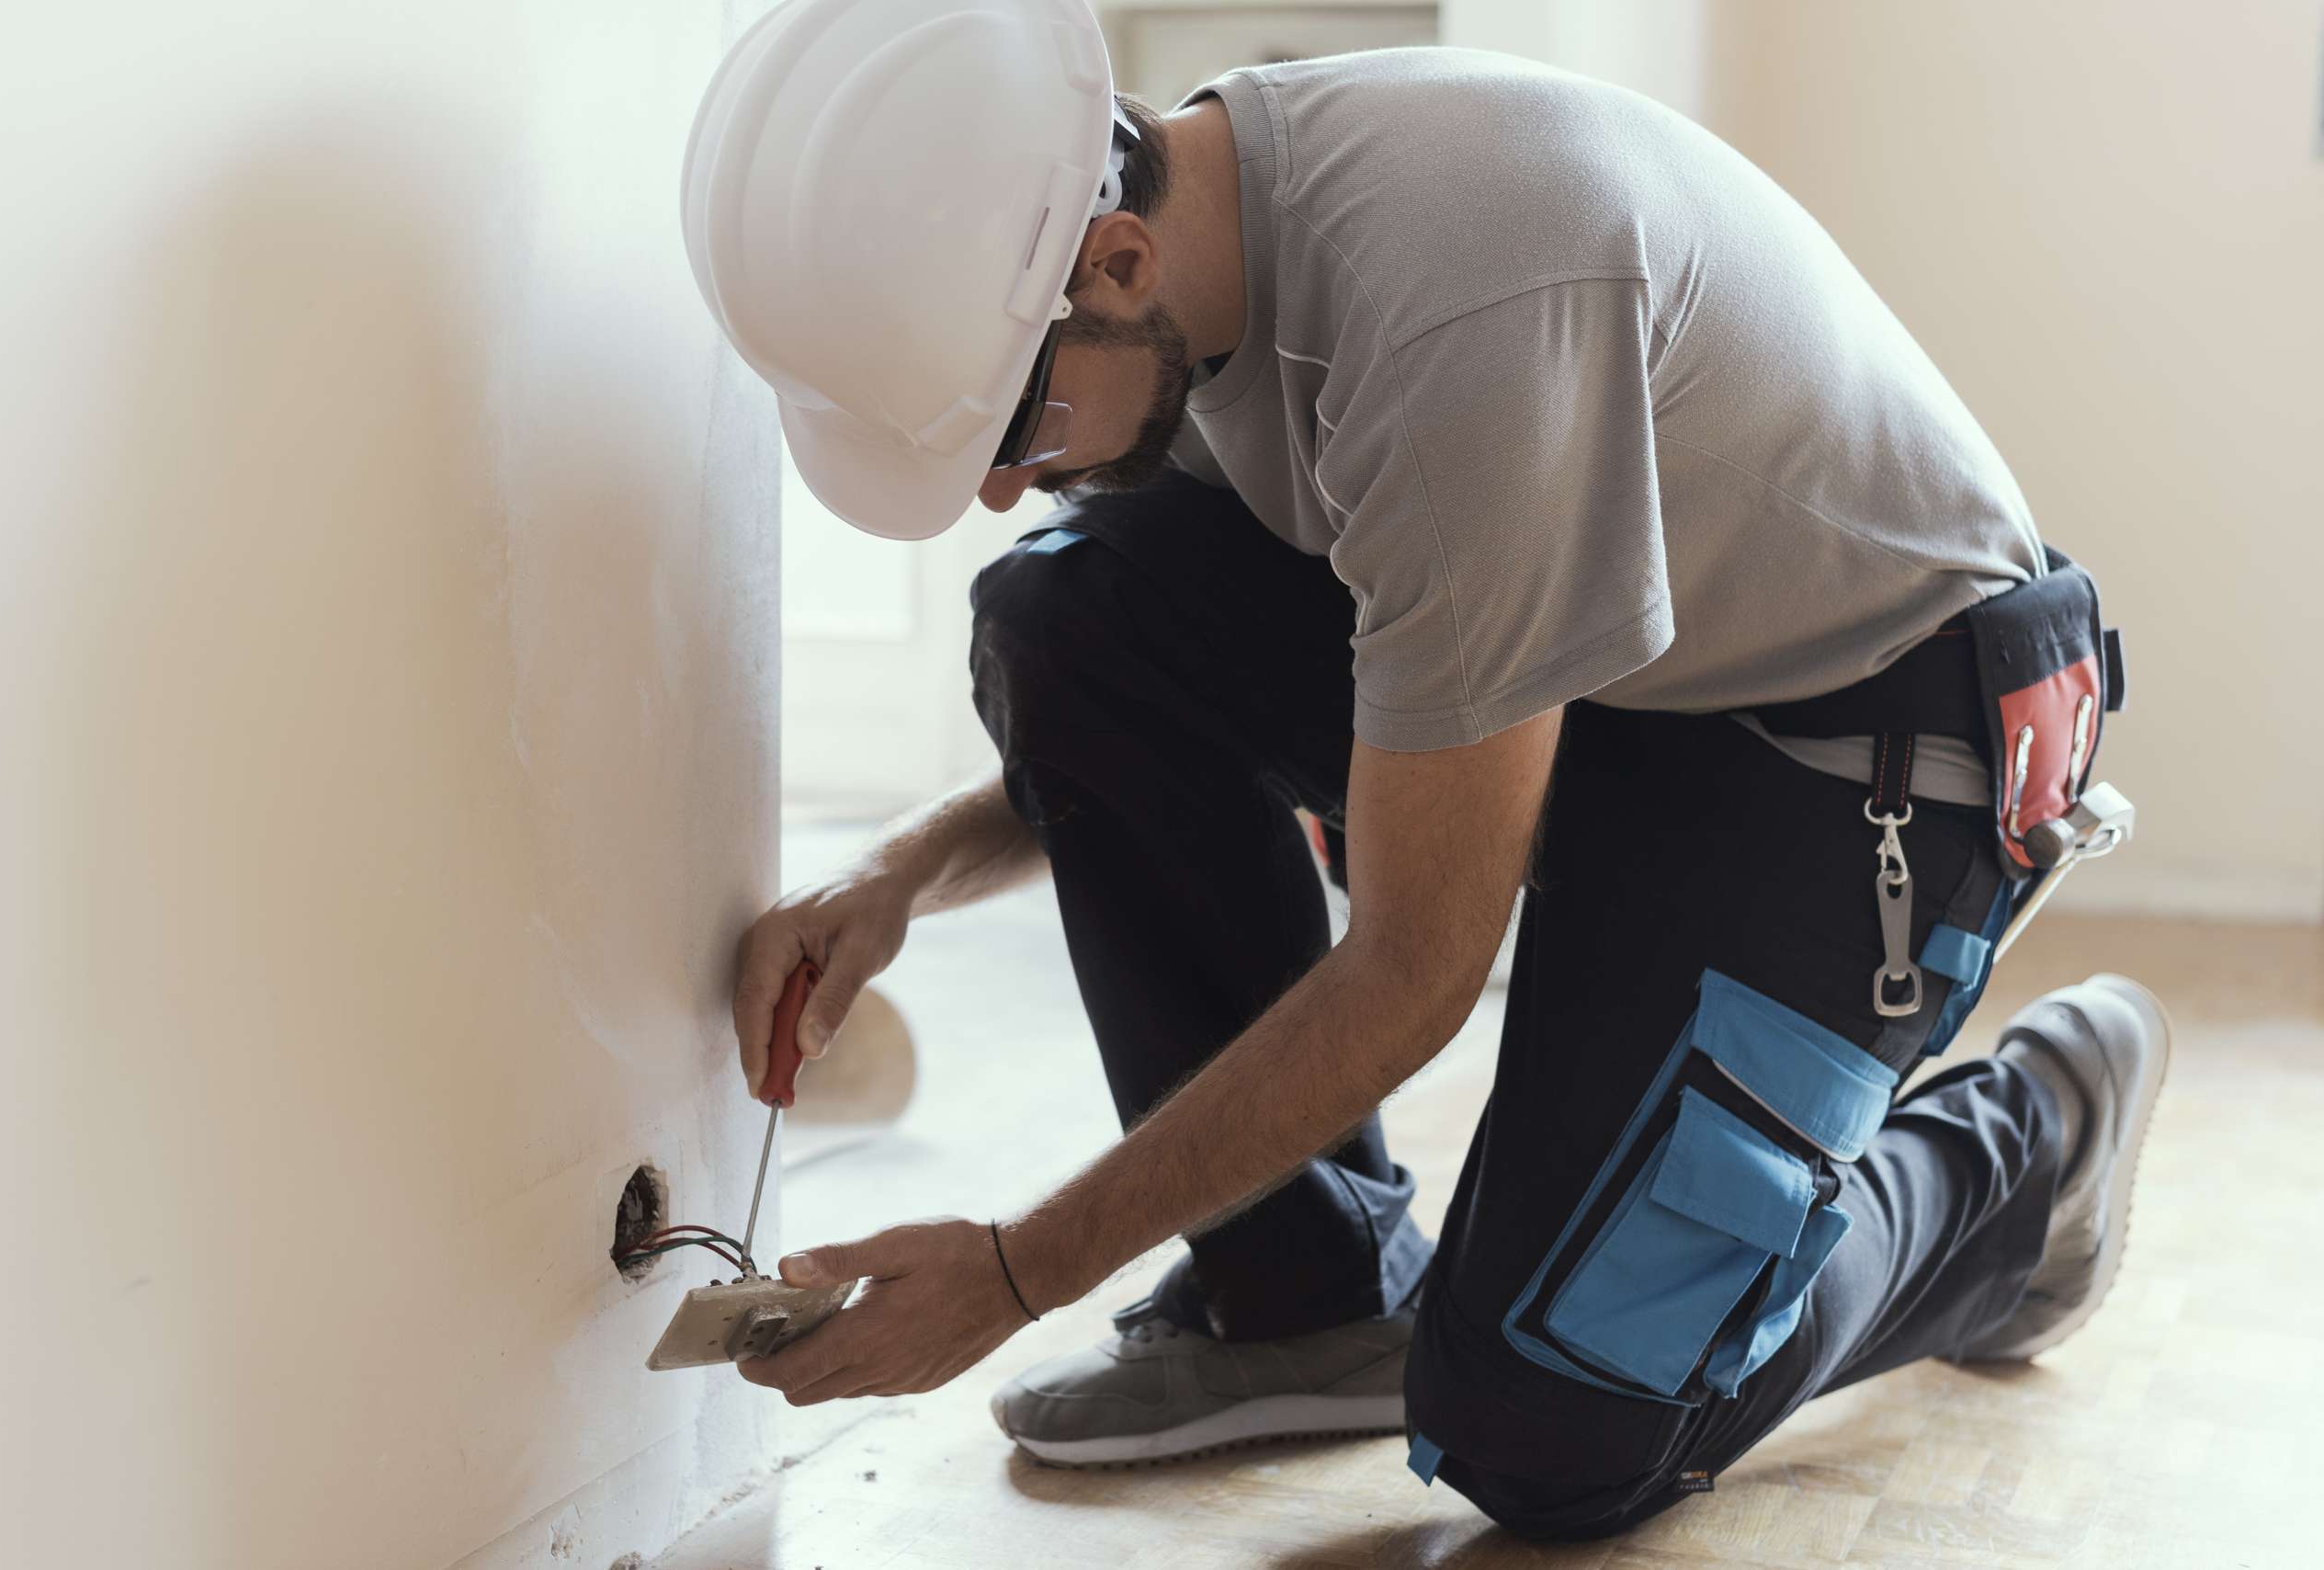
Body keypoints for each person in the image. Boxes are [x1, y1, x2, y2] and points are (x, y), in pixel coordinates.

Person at [680, 0, 2166, 1539]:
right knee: (1067, 609)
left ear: (1112, 261)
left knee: (1550, 1432)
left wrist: (1017, 1269)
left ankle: (2028, 1151)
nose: (1001, 483)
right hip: (1622, 684)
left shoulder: (1454, 319)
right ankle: (1298, 1296)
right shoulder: (1215, 242)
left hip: (1865, 742)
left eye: (1013, 423)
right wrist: (902, 871)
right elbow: (1198, 705)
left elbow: (1413, 968)